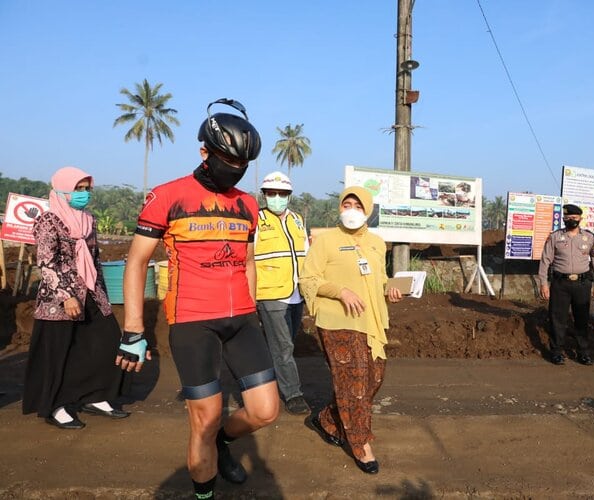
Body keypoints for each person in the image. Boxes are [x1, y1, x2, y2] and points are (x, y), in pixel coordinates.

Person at [120, 99, 280, 499]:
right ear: (204, 152)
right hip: (193, 322)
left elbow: (246, 261)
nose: (235, 168)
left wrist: (254, 308)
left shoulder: (247, 204)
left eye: (243, 163)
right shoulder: (167, 196)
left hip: (241, 319)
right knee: (203, 423)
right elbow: (137, 262)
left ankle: (225, 441)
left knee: (265, 411)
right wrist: (133, 329)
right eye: (227, 159)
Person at [299, 186, 403, 475]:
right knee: (354, 383)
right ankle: (360, 444)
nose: (352, 209)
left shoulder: (377, 243)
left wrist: (391, 289)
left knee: (373, 379)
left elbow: (379, 280)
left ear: (367, 210)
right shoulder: (326, 241)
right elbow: (308, 279)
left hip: (370, 323)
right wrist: (339, 291)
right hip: (338, 321)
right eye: (347, 203)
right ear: (340, 208)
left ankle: (327, 420)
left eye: (358, 205)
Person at [23, 166, 129, 429]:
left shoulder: (88, 220)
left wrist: (103, 294)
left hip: (91, 292)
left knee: (106, 342)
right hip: (59, 298)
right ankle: (56, 406)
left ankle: (97, 396)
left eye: (86, 189)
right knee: (58, 352)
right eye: (77, 189)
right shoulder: (48, 220)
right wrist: (66, 296)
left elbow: (95, 260)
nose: (83, 194)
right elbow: (46, 263)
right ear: (62, 191)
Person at [254, 171, 311, 415]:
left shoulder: (297, 220)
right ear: (265, 195)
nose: (277, 197)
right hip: (270, 294)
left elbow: (306, 254)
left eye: (282, 194)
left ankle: (262, 380)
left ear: (289, 195)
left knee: (283, 344)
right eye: (272, 193)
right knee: (283, 346)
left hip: (297, 293)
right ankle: (293, 393)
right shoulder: (256, 221)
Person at [536, 204, 594, 366]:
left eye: (574, 218)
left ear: (580, 219)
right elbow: (545, 261)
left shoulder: (589, 238)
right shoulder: (555, 237)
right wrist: (543, 284)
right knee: (557, 318)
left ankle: (583, 353)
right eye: (567, 218)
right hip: (560, 283)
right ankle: (557, 352)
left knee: (581, 319)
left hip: (582, 284)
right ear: (564, 219)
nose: (571, 221)